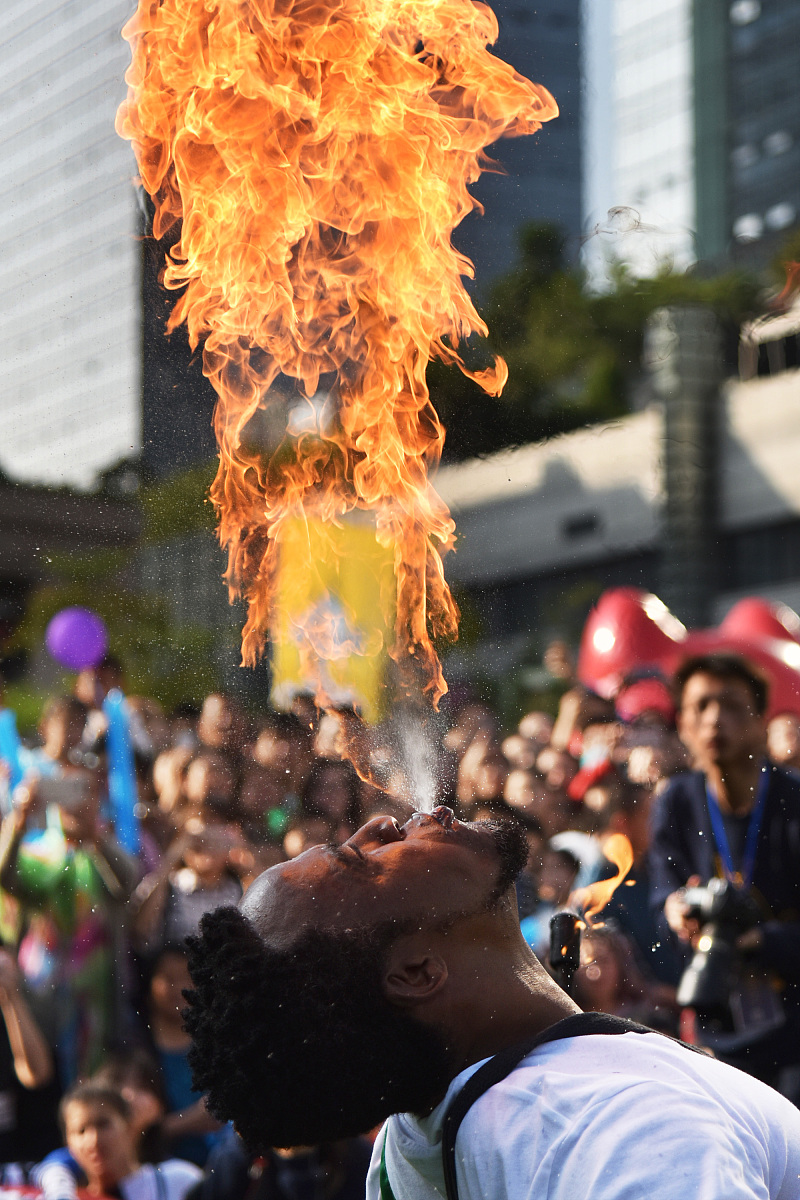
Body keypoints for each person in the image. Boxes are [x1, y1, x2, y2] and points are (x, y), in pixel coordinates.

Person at [184, 808, 800, 1199]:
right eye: (359, 863)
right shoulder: (614, 1131)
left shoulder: (411, 1146)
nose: (382, 826)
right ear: (418, 973)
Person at [650, 654, 800, 1096]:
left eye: (732, 705)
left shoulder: (793, 800)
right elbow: (662, 897)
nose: (715, 719)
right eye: (701, 706)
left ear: (760, 720)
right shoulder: (676, 801)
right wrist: (676, 911)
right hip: (714, 1031)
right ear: (682, 724)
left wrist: (761, 941)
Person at [37, 1083, 201, 1200]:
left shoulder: (179, 1181)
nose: (93, 1140)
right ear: (68, 1143)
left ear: (129, 1125)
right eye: (81, 1131)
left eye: (103, 1124)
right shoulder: (59, 1193)